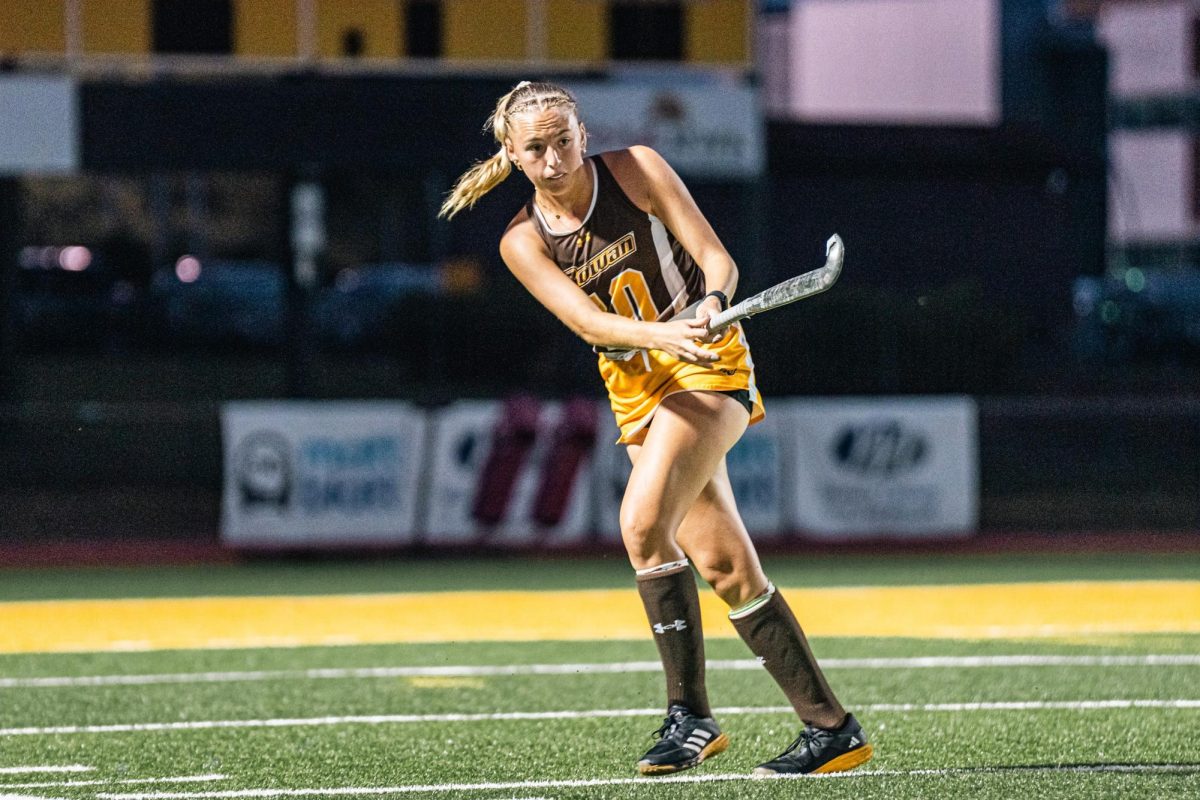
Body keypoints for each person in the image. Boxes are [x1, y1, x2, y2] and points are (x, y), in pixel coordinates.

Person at [439, 80, 873, 778]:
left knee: (641, 524)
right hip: (638, 390)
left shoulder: (636, 168)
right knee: (728, 569)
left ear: (583, 132)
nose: (554, 160)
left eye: (563, 141)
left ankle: (690, 717)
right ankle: (832, 729)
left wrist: (710, 302)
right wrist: (660, 336)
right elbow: (588, 324)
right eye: (536, 149)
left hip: (707, 369)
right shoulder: (521, 242)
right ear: (513, 155)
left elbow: (717, 259)